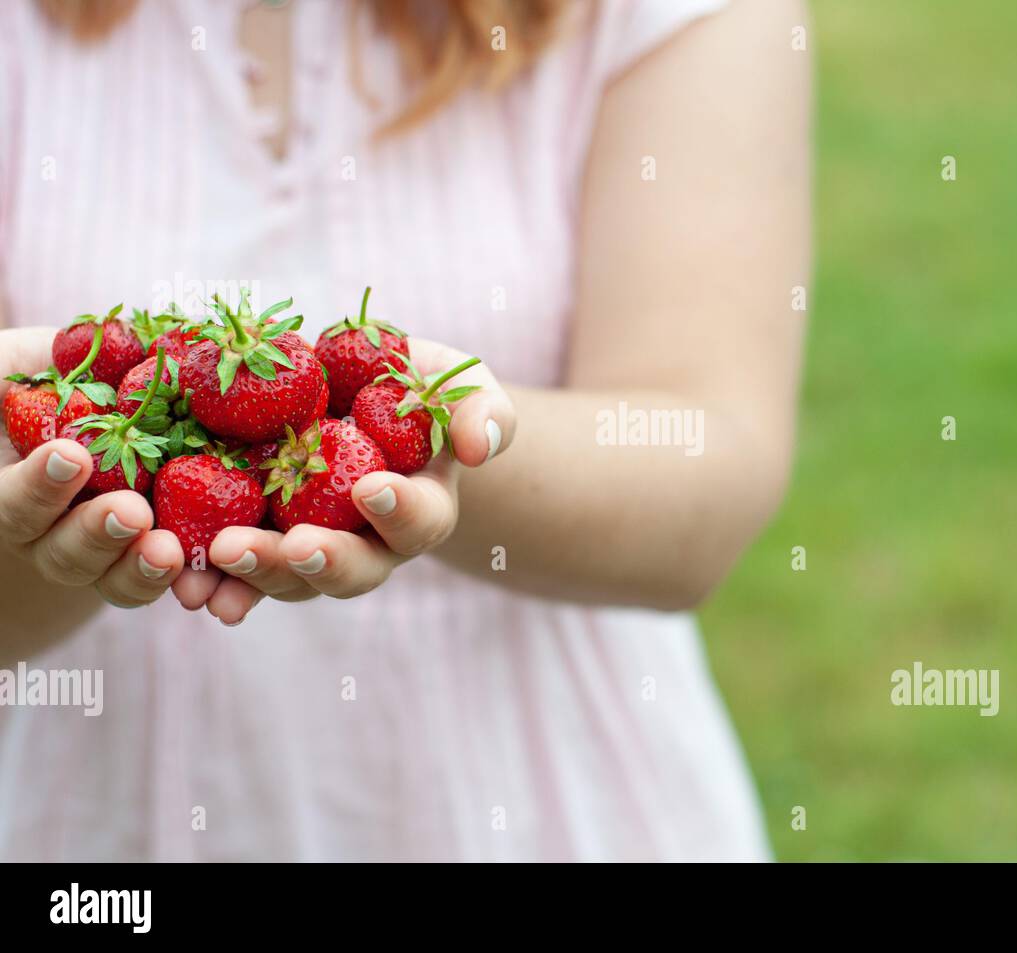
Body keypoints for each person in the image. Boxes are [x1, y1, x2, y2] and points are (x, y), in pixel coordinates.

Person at [0, 0, 808, 861]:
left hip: (543, 802)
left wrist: (436, 449)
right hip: (99, 823)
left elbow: (705, 486)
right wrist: (60, 507)